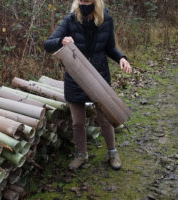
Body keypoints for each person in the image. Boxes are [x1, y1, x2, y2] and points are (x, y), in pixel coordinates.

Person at [44, 0, 132, 170]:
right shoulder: (70, 20)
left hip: (99, 76)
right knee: (77, 122)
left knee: (105, 119)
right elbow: (48, 43)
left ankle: (112, 152)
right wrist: (61, 40)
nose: (84, 2)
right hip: (75, 77)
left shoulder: (106, 19)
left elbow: (110, 48)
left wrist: (122, 57)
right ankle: (81, 154)